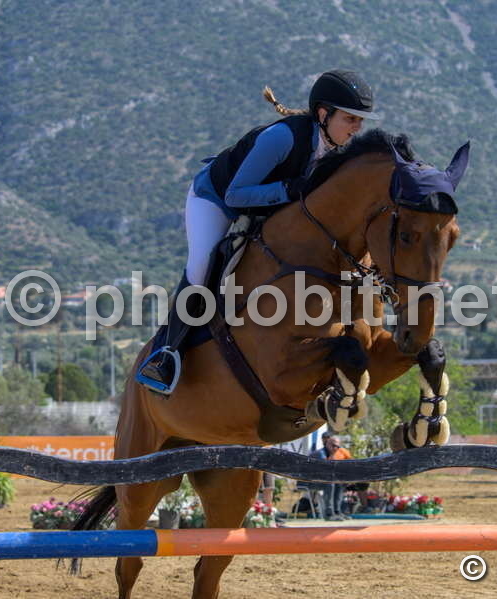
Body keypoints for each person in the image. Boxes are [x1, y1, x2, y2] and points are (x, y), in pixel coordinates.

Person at [137, 70, 381, 395]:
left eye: (360, 121)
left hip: (268, 209)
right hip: (217, 200)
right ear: (324, 115)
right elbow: (235, 195)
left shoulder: (338, 153)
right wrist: (290, 189)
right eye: (350, 119)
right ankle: (166, 354)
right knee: (202, 265)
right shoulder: (282, 138)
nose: (357, 128)